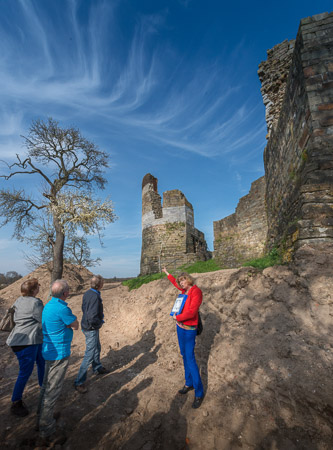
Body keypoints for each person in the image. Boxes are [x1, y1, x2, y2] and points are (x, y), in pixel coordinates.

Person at [37, 279, 78, 446]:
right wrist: (68, 325)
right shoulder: (62, 308)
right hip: (58, 354)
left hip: (48, 351)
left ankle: (40, 418)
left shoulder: (48, 305)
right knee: (52, 391)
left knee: (46, 387)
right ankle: (46, 430)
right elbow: (75, 324)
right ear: (65, 293)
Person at [162, 267, 204, 409]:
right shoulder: (183, 291)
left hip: (189, 329)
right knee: (184, 355)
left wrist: (177, 317)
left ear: (188, 279)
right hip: (180, 328)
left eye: (183, 280)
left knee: (190, 358)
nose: (181, 283)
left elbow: (192, 312)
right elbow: (175, 283)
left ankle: (199, 392)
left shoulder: (196, 291)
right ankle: (188, 383)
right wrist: (167, 273)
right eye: (180, 282)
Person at [6, 278, 45, 417]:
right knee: (25, 372)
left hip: (25, 339)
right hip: (26, 342)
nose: (38, 289)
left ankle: (44, 388)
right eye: (37, 287)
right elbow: (43, 320)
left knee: (41, 361)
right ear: (34, 290)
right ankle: (16, 402)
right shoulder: (36, 303)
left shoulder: (19, 300)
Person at [74, 275, 109, 394]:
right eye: (103, 282)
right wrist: (98, 322)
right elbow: (91, 315)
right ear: (100, 285)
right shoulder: (94, 296)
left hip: (88, 326)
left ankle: (97, 367)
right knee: (89, 354)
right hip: (91, 328)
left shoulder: (88, 293)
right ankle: (79, 381)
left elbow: (84, 309)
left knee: (97, 348)